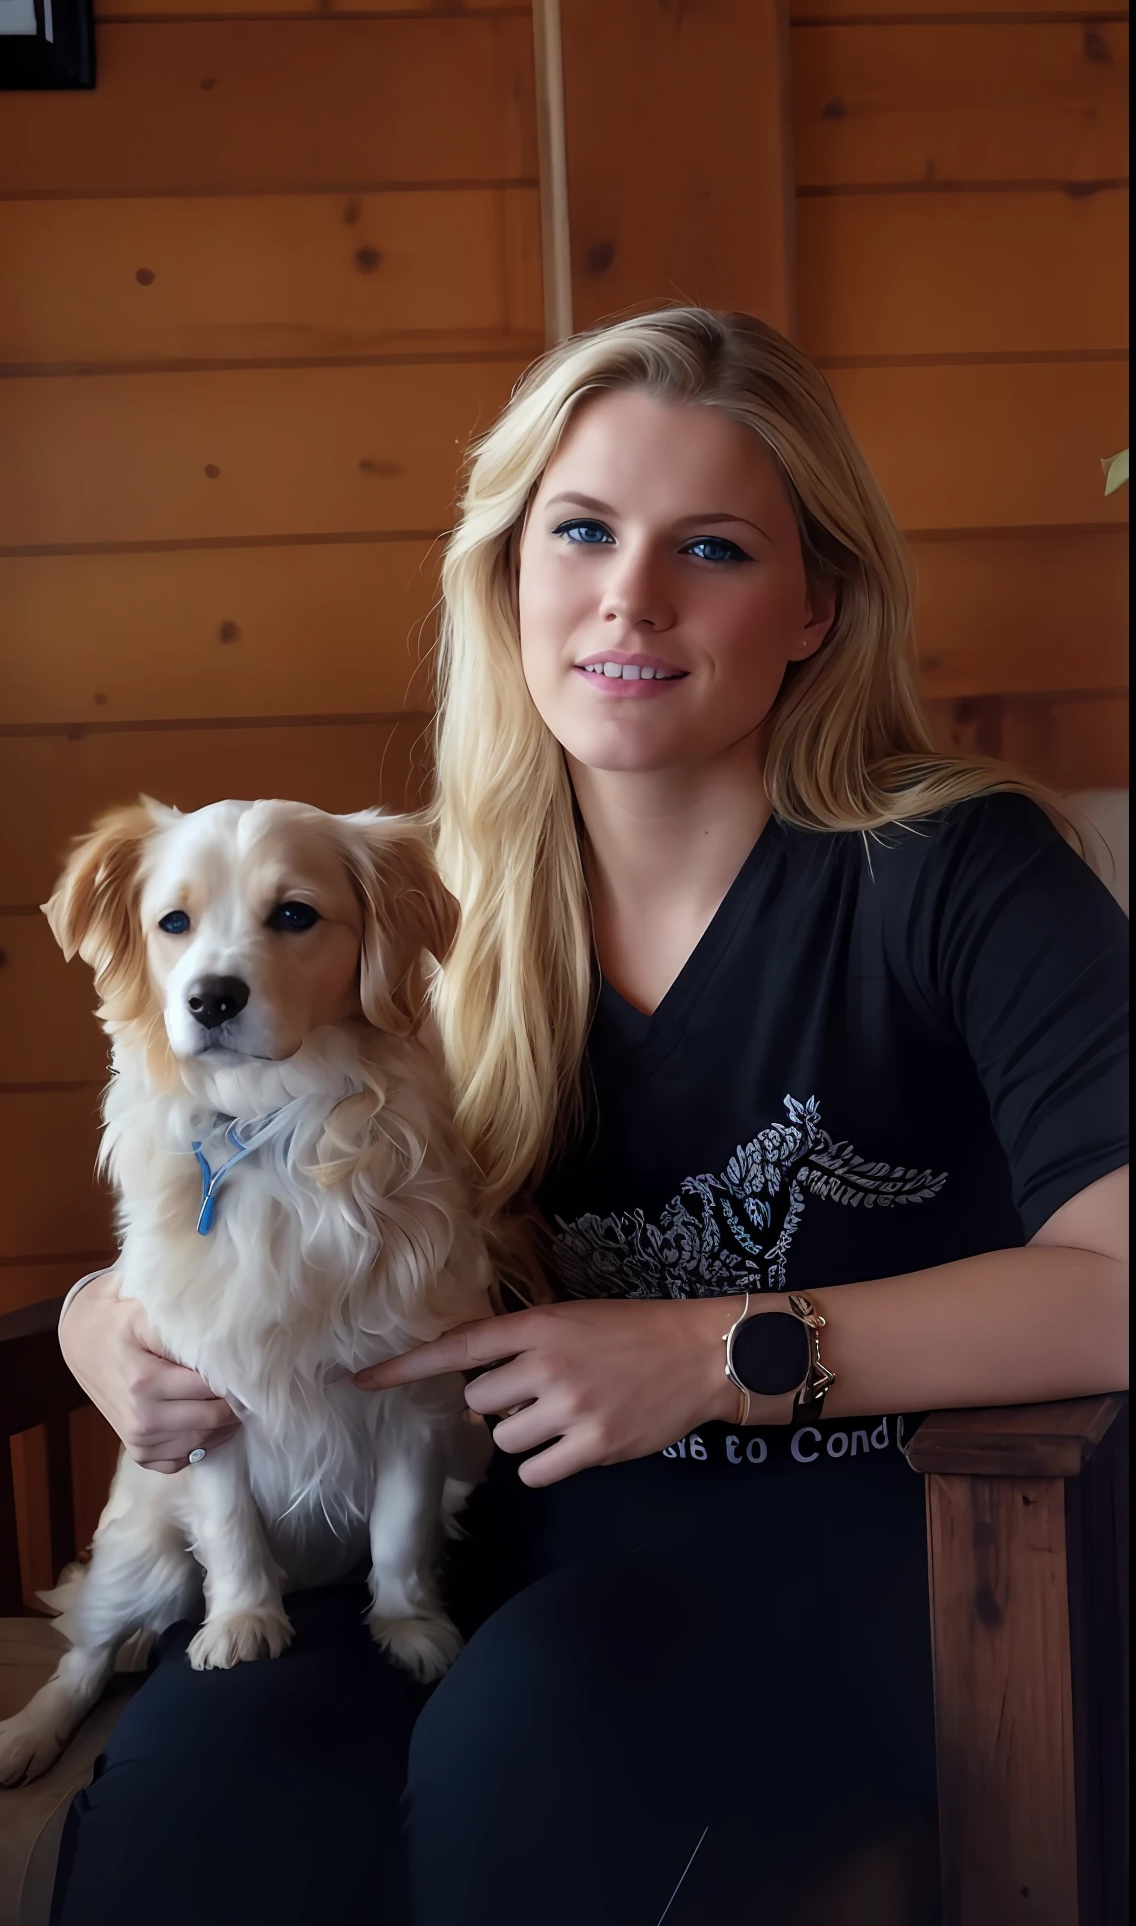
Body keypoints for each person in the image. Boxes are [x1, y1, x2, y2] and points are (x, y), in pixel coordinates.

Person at [49, 310, 1128, 1926]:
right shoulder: (418, 909)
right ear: (509, 577)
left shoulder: (960, 871)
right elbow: (228, 1189)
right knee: (207, 1789)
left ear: (815, 606)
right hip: (484, 1536)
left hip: (889, 1547)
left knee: (531, 1734)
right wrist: (95, 1326)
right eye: (581, 532)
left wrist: (711, 1351)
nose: (630, 595)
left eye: (709, 546)